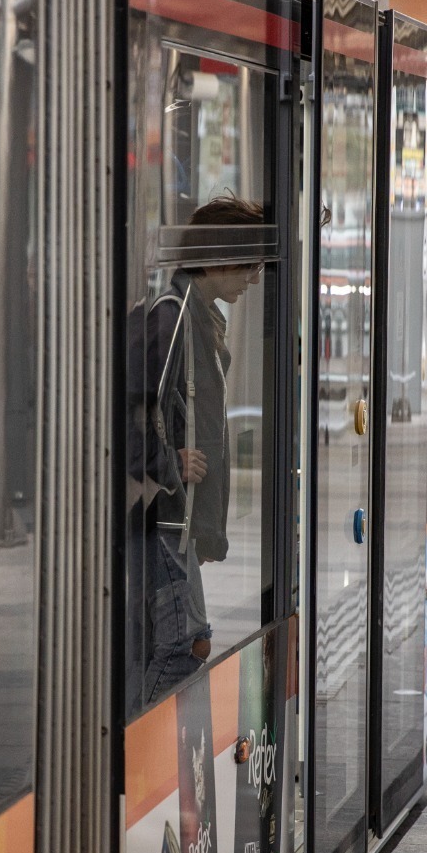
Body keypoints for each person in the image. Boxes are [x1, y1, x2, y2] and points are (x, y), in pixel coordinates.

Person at [127, 196, 264, 708]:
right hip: (163, 517)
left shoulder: (198, 316)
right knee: (184, 644)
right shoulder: (173, 317)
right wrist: (169, 463)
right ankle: (139, 744)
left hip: (177, 519)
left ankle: (141, 736)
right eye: (248, 266)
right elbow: (126, 414)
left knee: (173, 642)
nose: (253, 279)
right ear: (218, 259)